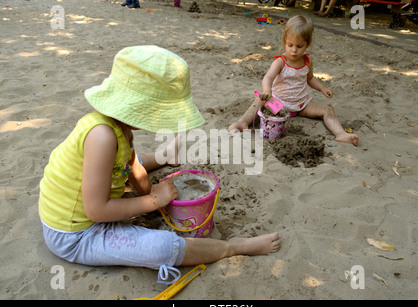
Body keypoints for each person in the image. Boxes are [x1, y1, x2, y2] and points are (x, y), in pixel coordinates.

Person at [39, 45, 282, 285]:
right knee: (162, 247)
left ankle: (165, 156)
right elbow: (97, 211)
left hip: (87, 208)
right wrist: (153, 202)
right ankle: (234, 247)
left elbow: (131, 166)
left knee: (120, 166)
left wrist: (149, 191)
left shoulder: (119, 129)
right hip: (75, 235)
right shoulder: (102, 136)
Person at [228, 15, 358, 146]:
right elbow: (268, 77)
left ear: (308, 44)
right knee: (260, 100)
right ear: (285, 41)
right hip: (279, 105)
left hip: (302, 105)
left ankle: (341, 134)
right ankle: (242, 122)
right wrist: (267, 91)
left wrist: (322, 88)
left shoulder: (307, 62)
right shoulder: (281, 61)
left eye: (299, 46)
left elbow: (310, 78)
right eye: (290, 45)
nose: (294, 50)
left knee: (328, 109)